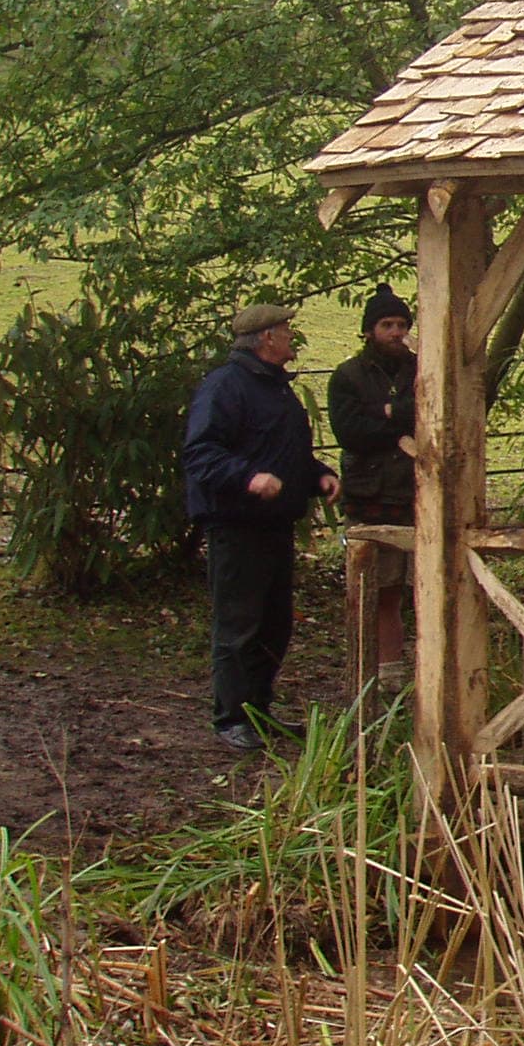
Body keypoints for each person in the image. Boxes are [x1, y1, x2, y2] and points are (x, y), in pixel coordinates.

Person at [183, 304, 339, 752]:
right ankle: (231, 717)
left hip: (275, 524)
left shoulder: (275, 390)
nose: (293, 336)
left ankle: (258, 710)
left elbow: (282, 453)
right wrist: (247, 478)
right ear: (266, 338)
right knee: (239, 624)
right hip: (237, 525)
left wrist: (316, 475)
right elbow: (201, 453)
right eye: (286, 330)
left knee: (273, 625)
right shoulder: (225, 387)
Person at [328, 284, 418, 674]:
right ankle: (373, 671)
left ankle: (399, 670)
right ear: (368, 330)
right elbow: (351, 433)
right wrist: (402, 422)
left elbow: (435, 413)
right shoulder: (347, 376)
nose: (396, 332)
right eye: (387, 324)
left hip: (416, 494)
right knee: (374, 588)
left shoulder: (423, 367)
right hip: (370, 496)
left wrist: (387, 411)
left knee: (411, 588)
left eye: (401, 324)